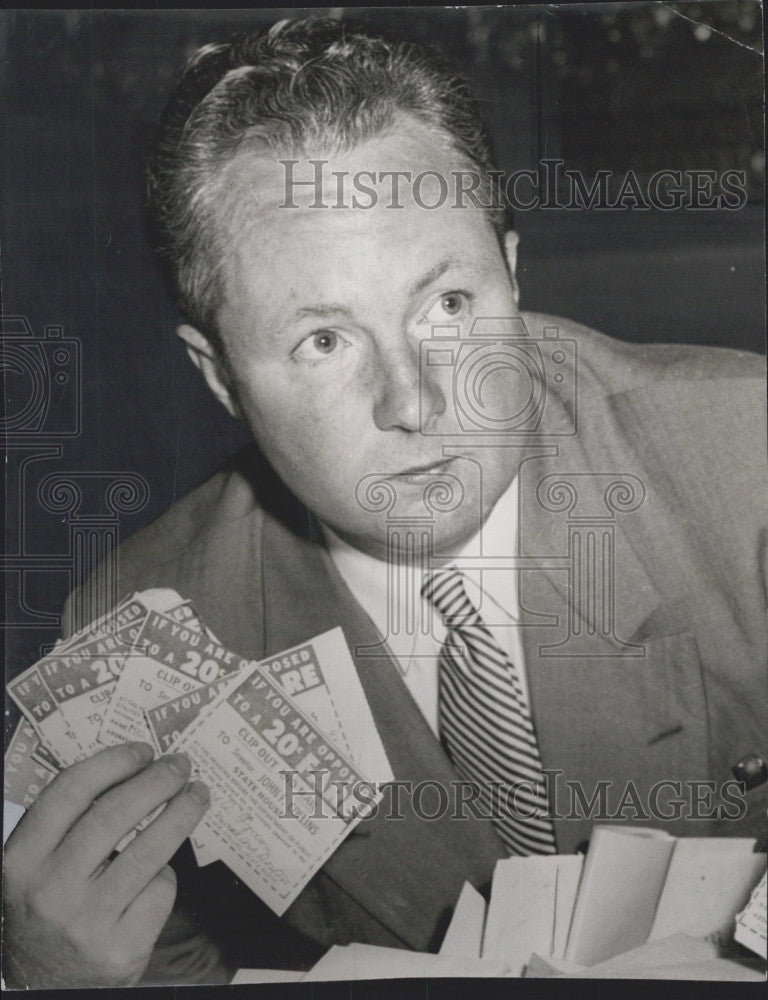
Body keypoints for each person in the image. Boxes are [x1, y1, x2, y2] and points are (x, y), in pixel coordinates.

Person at [3, 16, 766, 988]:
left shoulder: (750, 465)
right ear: (221, 376)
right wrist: (53, 981)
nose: (416, 402)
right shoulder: (143, 631)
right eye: (324, 340)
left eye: (449, 305)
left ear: (514, 273)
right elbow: (171, 957)